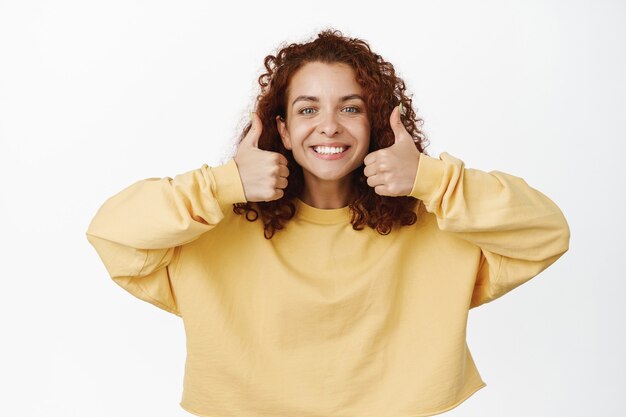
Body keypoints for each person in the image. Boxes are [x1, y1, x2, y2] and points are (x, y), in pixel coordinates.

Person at [85, 28, 570, 417]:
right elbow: (112, 234)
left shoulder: (436, 220)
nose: (329, 125)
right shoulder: (213, 222)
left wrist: (430, 177)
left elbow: (547, 232)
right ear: (282, 129)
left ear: (376, 123)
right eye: (308, 109)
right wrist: (221, 184)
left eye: (351, 108)